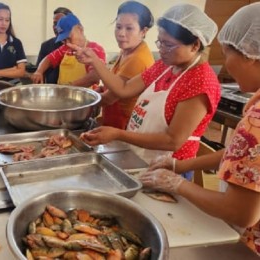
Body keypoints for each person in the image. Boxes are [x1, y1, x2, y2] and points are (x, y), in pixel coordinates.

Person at [140, 3, 260, 256]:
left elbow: (241, 212)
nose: (225, 63)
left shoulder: (257, 119)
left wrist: (177, 184)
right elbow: (241, 155)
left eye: (227, 53)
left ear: (250, 56)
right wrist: (179, 167)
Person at [75, 4, 221, 181]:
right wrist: (94, 60)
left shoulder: (200, 82)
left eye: (168, 45)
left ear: (195, 45)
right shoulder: (165, 65)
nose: (161, 50)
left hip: (170, 169)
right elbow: (124, 89)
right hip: (140, 155)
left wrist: (118, 134)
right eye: (160, 42)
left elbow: (172, 140)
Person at [99, 1, 155, 129]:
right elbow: (115, 82)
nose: (121, 33)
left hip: (126, 126)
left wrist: (81, 101)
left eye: (129, 28)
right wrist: (101, 90)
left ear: (143, 31)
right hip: (114, 122)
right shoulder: (127, 50)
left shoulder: (138, 59)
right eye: (118, 27)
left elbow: (109, 99)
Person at [32, 13, 106, 87]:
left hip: (86, 97)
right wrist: (39, 71)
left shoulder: (96, 49)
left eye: (69, 38)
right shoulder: (65, 49)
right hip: (64, 95)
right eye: (64, 40)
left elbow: (95, 76)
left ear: (80, 30)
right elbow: (49, 59)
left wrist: (68, 88)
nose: (67, 43)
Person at [35, 7, 72, 84]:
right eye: (55, 23)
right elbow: (39, 74)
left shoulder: (81, 48)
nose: (57, 27)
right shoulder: (46, 46)